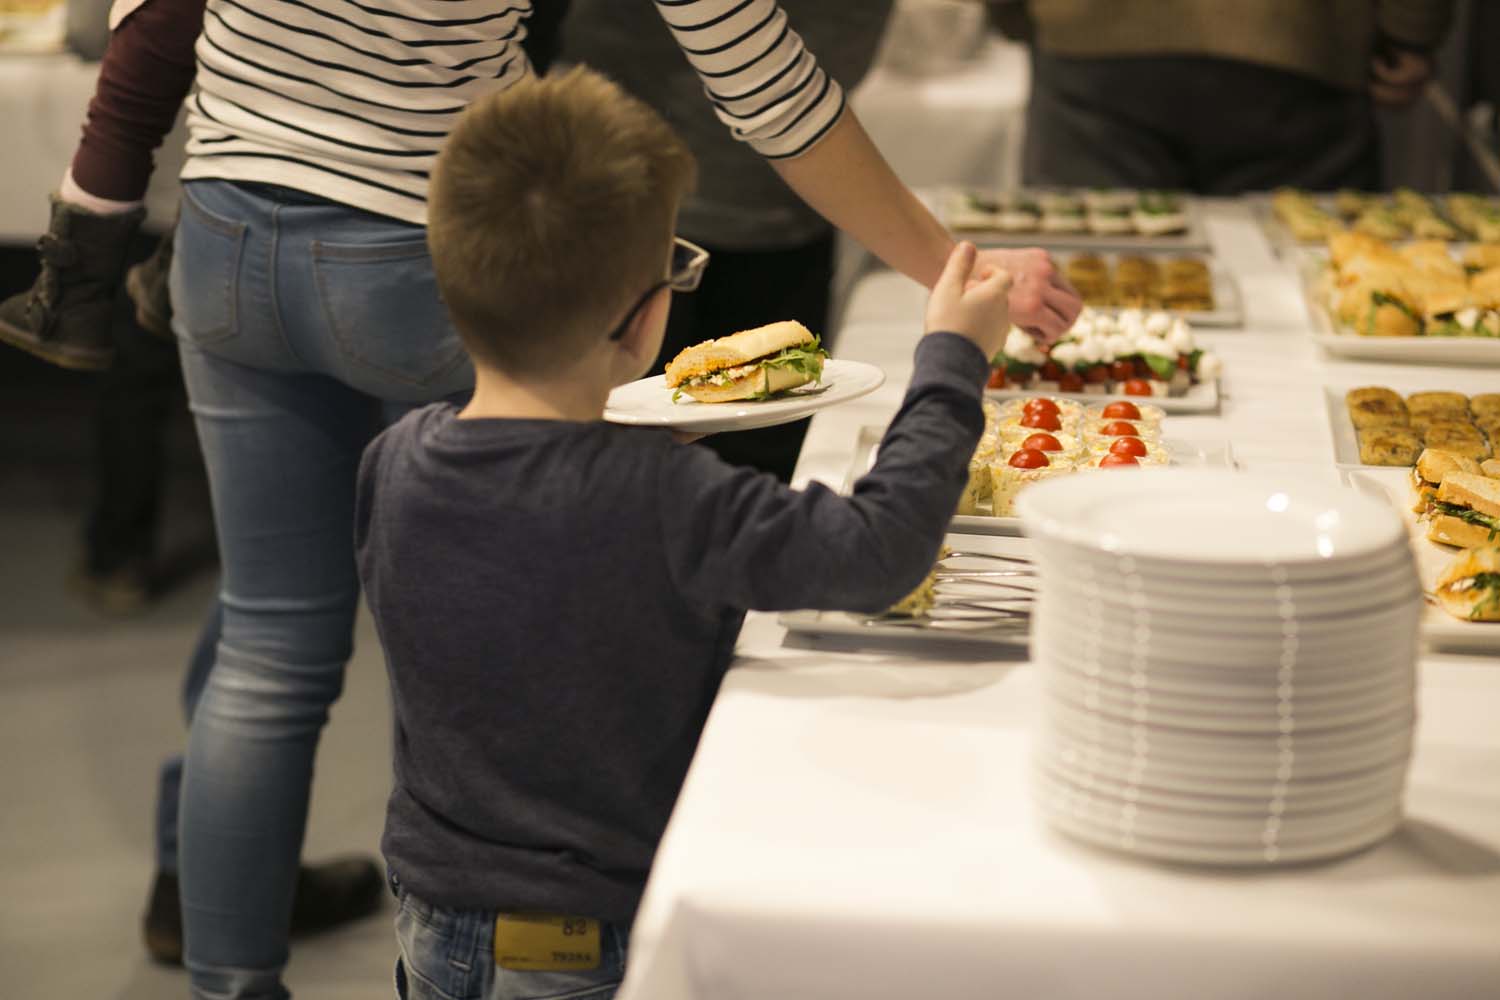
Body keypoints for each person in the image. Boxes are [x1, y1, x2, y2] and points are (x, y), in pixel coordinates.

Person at [10, 3, 1077, 996]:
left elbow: (140, 21)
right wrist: (950, 276)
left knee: (269, 639)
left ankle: (252, 974)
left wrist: (97, 215)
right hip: (412, 228)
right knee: (502, 598)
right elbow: (759, 73)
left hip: (227, 215)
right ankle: (527, 908)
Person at [356, 67, 1013, 999]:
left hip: (434, 919)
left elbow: (522, 529)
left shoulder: (392, 461)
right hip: (585, 938)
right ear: (649, 313)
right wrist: (952, 359)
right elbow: (880, 551)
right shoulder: (664, 496)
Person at [556, 0, 895, 482]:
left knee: (762, 451)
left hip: (781, 206)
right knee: (633, 456)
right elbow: (774, 88)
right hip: (634, 195)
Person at [1013, 0, 1456, 192]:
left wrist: (1018, 18)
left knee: (1084, 292)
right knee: (1297, 300)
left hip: (1092, 41)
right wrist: (1411, 33)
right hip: (1298, 41)